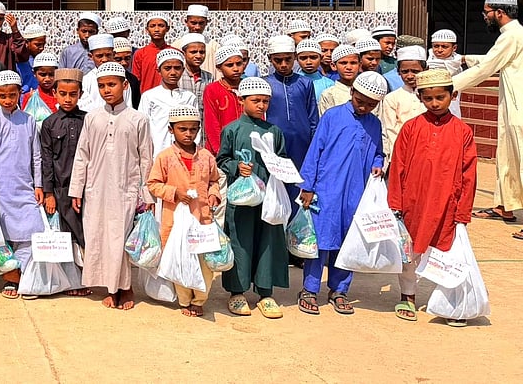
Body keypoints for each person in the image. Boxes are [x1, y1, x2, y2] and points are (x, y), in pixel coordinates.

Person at [387, 68, 478, 325]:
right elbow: (398, 166)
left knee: (447, 254)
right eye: (428, 98)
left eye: (440, 97)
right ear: (420, 98)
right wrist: (396, 202)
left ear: (453, 96)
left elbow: (469, 173)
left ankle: (449, 306)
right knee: (410, 252)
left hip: (448, 203)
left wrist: (463, 210)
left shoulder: (462, 131)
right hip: (413, 202)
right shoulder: (411, 128)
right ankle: (408, 296)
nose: (435, 103)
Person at [297, 71, 387, 317]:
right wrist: (308, 186)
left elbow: (378, 152)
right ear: (352, 92)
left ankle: (339, 290)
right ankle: (309, 289)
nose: (364, 107)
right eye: (361, 101)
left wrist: (378, 164)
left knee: (348, 242)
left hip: (356, 193)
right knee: (320, 241)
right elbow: (315, 150)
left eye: (371, 105)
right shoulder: (332, 116)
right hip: (327, 190)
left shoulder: (374, 124)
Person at [70, 62, 153, 310]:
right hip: (95, 189)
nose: (107, 90)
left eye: (111, 84)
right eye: (102, 85)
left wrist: (147, 194)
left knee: (121, 238)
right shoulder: (92, 117)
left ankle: (126, 287)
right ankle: (110, 287)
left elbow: (146, 158)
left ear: (125, 85)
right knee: (99, 236)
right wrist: (76, 190)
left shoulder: (138, 119)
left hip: (126, 188)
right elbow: (82, 155)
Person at [216, 77, 289, 319]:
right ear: (241, 100)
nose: (261, 105)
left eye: (265, 101)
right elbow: (222, 159)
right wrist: (237, 167)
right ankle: (237, 292)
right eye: (256, 100)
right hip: (242, 198)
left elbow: (283, 158)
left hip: (268, 196)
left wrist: (279, 167)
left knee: (268, 240)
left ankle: (265, 293)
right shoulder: (232, 130)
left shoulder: (274, 132)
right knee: (240, 240)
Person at [456, 0, 523, 234]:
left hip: (519, 107)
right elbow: (493, 60)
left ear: (499, 12)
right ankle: (504, 206)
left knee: (520, 158)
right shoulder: (512, 35)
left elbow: (486, 68)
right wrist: (465, 59)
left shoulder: (511, 36)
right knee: (507, 156)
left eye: (486, 12)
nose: (484, 17)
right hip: (511, 106)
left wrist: (448, 86)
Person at [146, 106, 221, 317]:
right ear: (171, 130)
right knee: (180, 260)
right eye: (182, 129)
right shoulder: (165, 157)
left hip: (202, 219)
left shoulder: (206, 156)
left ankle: (199, 300)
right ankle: (184, 300)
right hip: (175, 220)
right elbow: (153, 184)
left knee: (204, 264)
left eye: (193, 129)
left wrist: (214, 195)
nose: (188, 134)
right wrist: (174, 193)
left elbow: (214, 180)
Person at [0, 70, 45, 299]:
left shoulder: (29, 120)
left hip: (25, 185)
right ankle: (11, 279)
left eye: (12, 95)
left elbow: (36, 155)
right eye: (2, 96)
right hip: (1, 187)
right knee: (5, 234)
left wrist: (38, 185)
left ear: (20, 93)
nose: (8, 100)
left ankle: (27, 278)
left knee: (31, 230)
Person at [39, 68, 88, 264]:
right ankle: (73, 276)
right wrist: (49, 193)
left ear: (80, 94)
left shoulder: (88, 120)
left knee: (86, 232)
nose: (68, 99)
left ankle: (88, 273)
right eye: (63, 93)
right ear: (55, 93)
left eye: (73, 94)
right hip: (61, 190)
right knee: (67, 234)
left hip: (86, 189)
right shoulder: (49, 124)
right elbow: (46, 159)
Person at [264, 35, 319, 175]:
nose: (283, 64)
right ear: (270, 58)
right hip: (274, 140)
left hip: (302, 142)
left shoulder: (305, 83)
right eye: (278, 60)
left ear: (295, 57)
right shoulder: (265, 83)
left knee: (299, 179)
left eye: (288, 59)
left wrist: (314, 144)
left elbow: (313, 117)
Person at [138, 49, 197, 155]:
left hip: (184, 154)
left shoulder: (189, 97)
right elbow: (143, 128)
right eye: (167, 68)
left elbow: (195, 127)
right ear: (159, 71)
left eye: (177, 68)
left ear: (183, 70)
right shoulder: (149, 96)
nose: (173, 73)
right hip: (156, 152)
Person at [377, 46, 427, 166]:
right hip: (401, 154)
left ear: (425, 69)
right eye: (405, 71)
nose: (410, 76)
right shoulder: (392, 98)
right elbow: (390, 130)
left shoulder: (432, 97)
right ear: (398, 72)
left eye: (415, 71)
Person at [202, 46, 245, 155]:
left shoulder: (249, 87)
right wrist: (221, 152)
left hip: (246, 147)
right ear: (219, 68)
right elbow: (211, 124)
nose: (236, 69)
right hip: (221, 149)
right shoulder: (212, 89)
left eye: (239, 64)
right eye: (229, 65)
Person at [77, 34, 118, 113]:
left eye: (108, 55)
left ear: (114, 54)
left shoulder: (121, 77)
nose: (105, 59)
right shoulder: (86, 80)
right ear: (91, 56)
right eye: (99, 56)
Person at [132, 13, 172, 94]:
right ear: (147, 30)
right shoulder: (140, 54)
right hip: (146, 97)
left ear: (167, 29)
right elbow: (136, 80)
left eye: (161, 26)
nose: (156, 29)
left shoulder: (174, 53)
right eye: (152, 26)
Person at [429, 29, 464, 118]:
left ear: (454, 48)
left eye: (444, 47)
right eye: (436, 46)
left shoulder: (457, 66)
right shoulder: (427, 64)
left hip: (452, 106)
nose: (439, 50)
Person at [319, 44, 362, 115]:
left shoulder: (367, 91)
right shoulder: (329, 94)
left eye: (353, 63)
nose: (349, 67)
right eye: (343, 63)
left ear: (359, 65)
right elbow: (325, 119)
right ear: (333, 66)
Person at [176, 33, 213, 109]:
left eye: (202, 52)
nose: (198, 56)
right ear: (184, 54)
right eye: (193, 52)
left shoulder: (209, 77)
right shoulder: (178, 76)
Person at [183, 5, 219, 80]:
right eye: (193, 23)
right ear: (186, 22)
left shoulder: (215, 47)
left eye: (201, 23)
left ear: (206, 22)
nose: (197, 27)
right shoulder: (176, 45)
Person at [21, 52, 60, 118]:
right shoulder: (30, 98)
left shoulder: (61, 96)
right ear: (34, 73)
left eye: (51, 75)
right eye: (42, 75)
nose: (47, 79)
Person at [16, 24, 48, 93]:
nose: (42, 48)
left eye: (43, 44)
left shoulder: (41, 60)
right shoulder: (19, 60)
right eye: (38, 45)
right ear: (27, 43)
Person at [113, 38, 143, 109]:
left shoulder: (133, 80)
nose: (124, 63)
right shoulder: (100, 78)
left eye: (127, 58)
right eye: (118, 59)